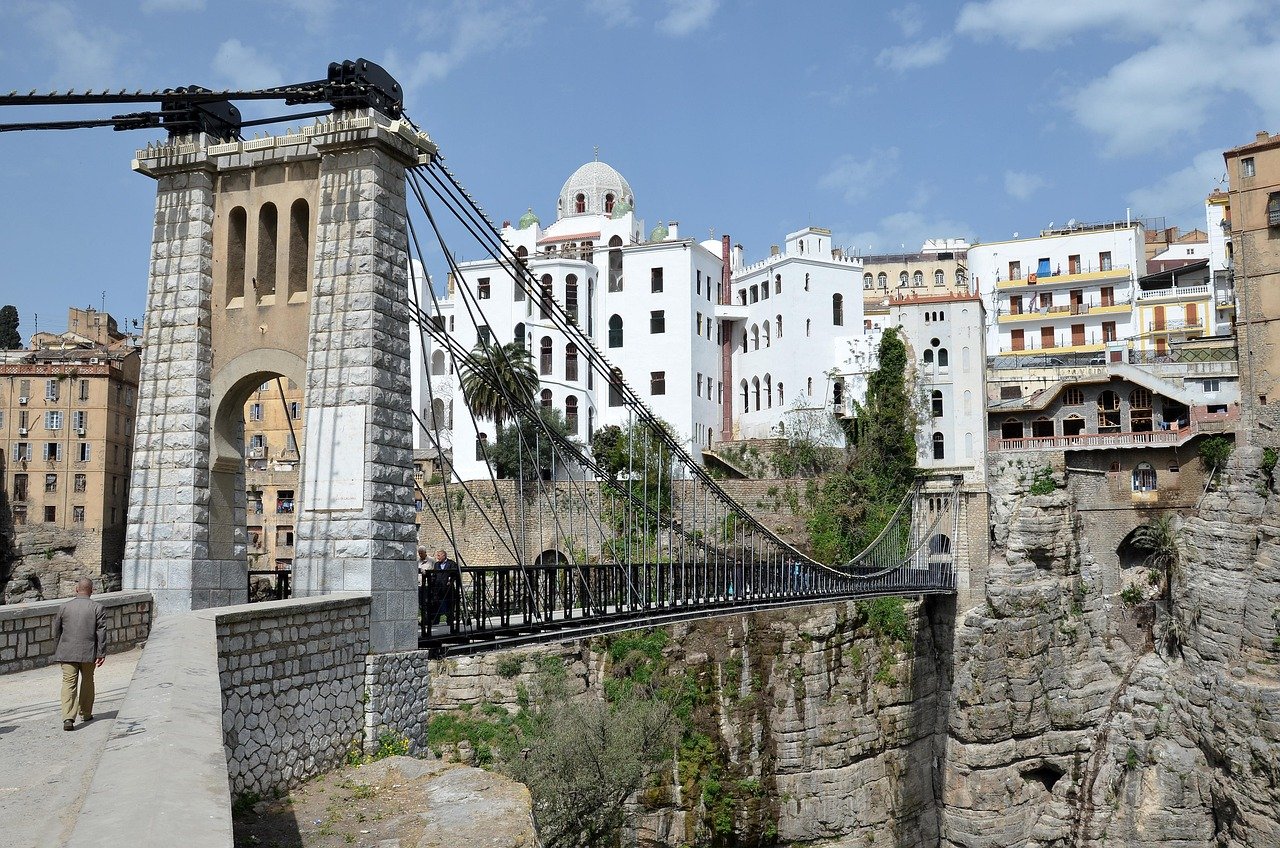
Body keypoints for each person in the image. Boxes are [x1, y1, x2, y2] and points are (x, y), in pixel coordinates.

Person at [52, 577, 107, 731]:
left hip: (67, 651)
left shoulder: (64, 607)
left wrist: (58, 650)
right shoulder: (98, 608)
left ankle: (68, 718)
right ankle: (85, 712)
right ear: (91, 591)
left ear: (77, 589)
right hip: (89, 652)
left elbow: (56, 631)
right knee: (88, 681)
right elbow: (101, 633)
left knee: (68, 682)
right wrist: (101, 653)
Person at [430, 549, 457, 627]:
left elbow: (455, 574)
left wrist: (451, 581)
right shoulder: (436, 565)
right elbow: (434, 576)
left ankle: (450, 620)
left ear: (444, 555)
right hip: (438, 589)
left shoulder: (451, 564)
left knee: (449, 604)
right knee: (437, 604)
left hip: (448, 589)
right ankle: (436, 620)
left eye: (439, 555)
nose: (437, 557)